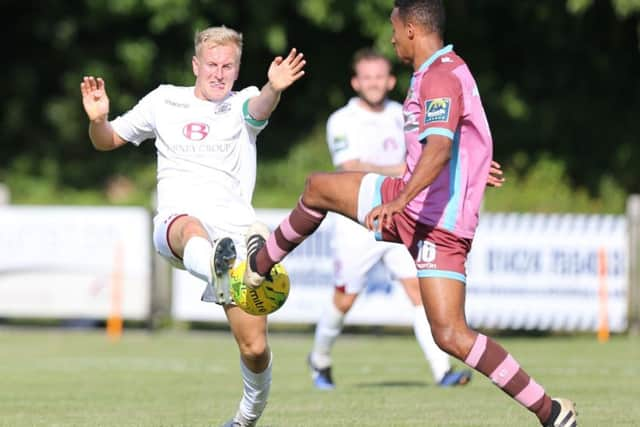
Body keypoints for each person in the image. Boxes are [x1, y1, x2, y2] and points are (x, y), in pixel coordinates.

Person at [242, 2, 577, 426]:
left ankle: (551, 412)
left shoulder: (439, 75)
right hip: (409, 200)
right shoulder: (439, 71)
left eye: (394, 28)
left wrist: (401, 202)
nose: (392, 37)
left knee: (451, 335)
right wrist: (469, 166)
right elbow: (460, 139)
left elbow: (438, 148)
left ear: (413, 29)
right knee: (318, 187)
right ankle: (257, 266)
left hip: (436, 225)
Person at [80, 26, 305, 427]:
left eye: (228, 66)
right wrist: (98, 120)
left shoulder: (244, 102)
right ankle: (218, 271)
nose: (219, 73)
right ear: (195, 65)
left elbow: (261, 109)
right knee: (189, 227)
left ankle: (246, 418)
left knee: (254, 347)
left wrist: (275, 88)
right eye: (212, 65)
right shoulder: (165, 100)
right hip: (178, 225)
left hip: (235, 236)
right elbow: (107, 139)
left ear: (237, 70)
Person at [308, 48, 483, 390]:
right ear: (356, 82)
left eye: (379, 76)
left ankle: (442, 371)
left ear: (390, 80)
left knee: (418, 292)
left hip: (400, 215)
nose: (373, 83)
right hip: (357, 218)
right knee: (345, 298)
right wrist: (404, 171)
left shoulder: (402, 113)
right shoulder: (341, 120)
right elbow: (350, 168)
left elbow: (428, 154)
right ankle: (319, 359)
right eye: (367, 77)